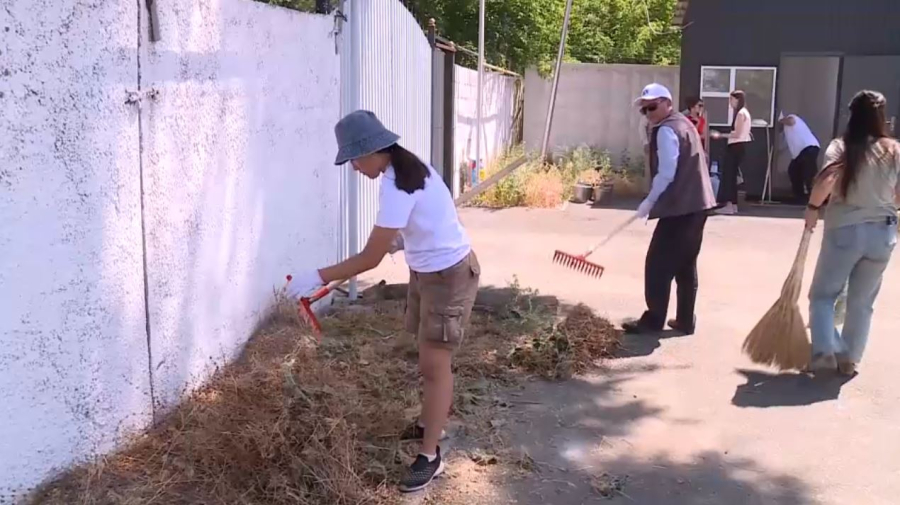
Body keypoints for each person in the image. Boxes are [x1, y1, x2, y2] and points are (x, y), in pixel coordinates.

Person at [288, 110, 480, 492]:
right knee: (428, 359)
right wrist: (401, 239)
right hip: (426, 272)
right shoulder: (404, 168)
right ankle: (429, 422)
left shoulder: (398, 185)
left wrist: (318, 276)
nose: (355, 168)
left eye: (356, 159)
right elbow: (421, 222)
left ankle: (430, 456)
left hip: (450, 275)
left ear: (374, 150)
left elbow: (370, 259)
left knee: (435, 365)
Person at [804, 90, 900, 376]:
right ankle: (849, 360)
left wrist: (812, 208)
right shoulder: (894, 150)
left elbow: (825, 183)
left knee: (822, 296)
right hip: (883, 234)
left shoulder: (841, 147)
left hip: (844, 230)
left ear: (851, 114)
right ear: (882, 117)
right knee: (862, 303)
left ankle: (824, 353)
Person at [622, 84, 718, 336]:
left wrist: (649, 201)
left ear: (667, 103)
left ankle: (653, 320)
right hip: (699, 205)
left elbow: (666, 173)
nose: (649, 113)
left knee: (657, 264)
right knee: (685, 264)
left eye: (652, 107)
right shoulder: (684, 123)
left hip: (681, 209)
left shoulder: (667, 131)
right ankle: (685, 320)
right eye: (644, 110)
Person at [713, 90, 752, 215]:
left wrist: (721, 135)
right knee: (731, 176)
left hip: (736, 146)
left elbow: (737, 133)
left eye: (731, 99)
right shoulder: (744, 112)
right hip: (739, 146)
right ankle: (733, 205)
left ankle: (729, 204)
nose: (730, 103)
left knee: (729, 176)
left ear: (737, 99)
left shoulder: (741, 113)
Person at [780, 113, 821, 203]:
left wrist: (781, 120)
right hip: (800, 153)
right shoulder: (787, 131)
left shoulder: (792, 117)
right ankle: (800, 196)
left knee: (808, 173)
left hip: (809, 147)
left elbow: (790, 121)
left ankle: (814, 198)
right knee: (793, 170)